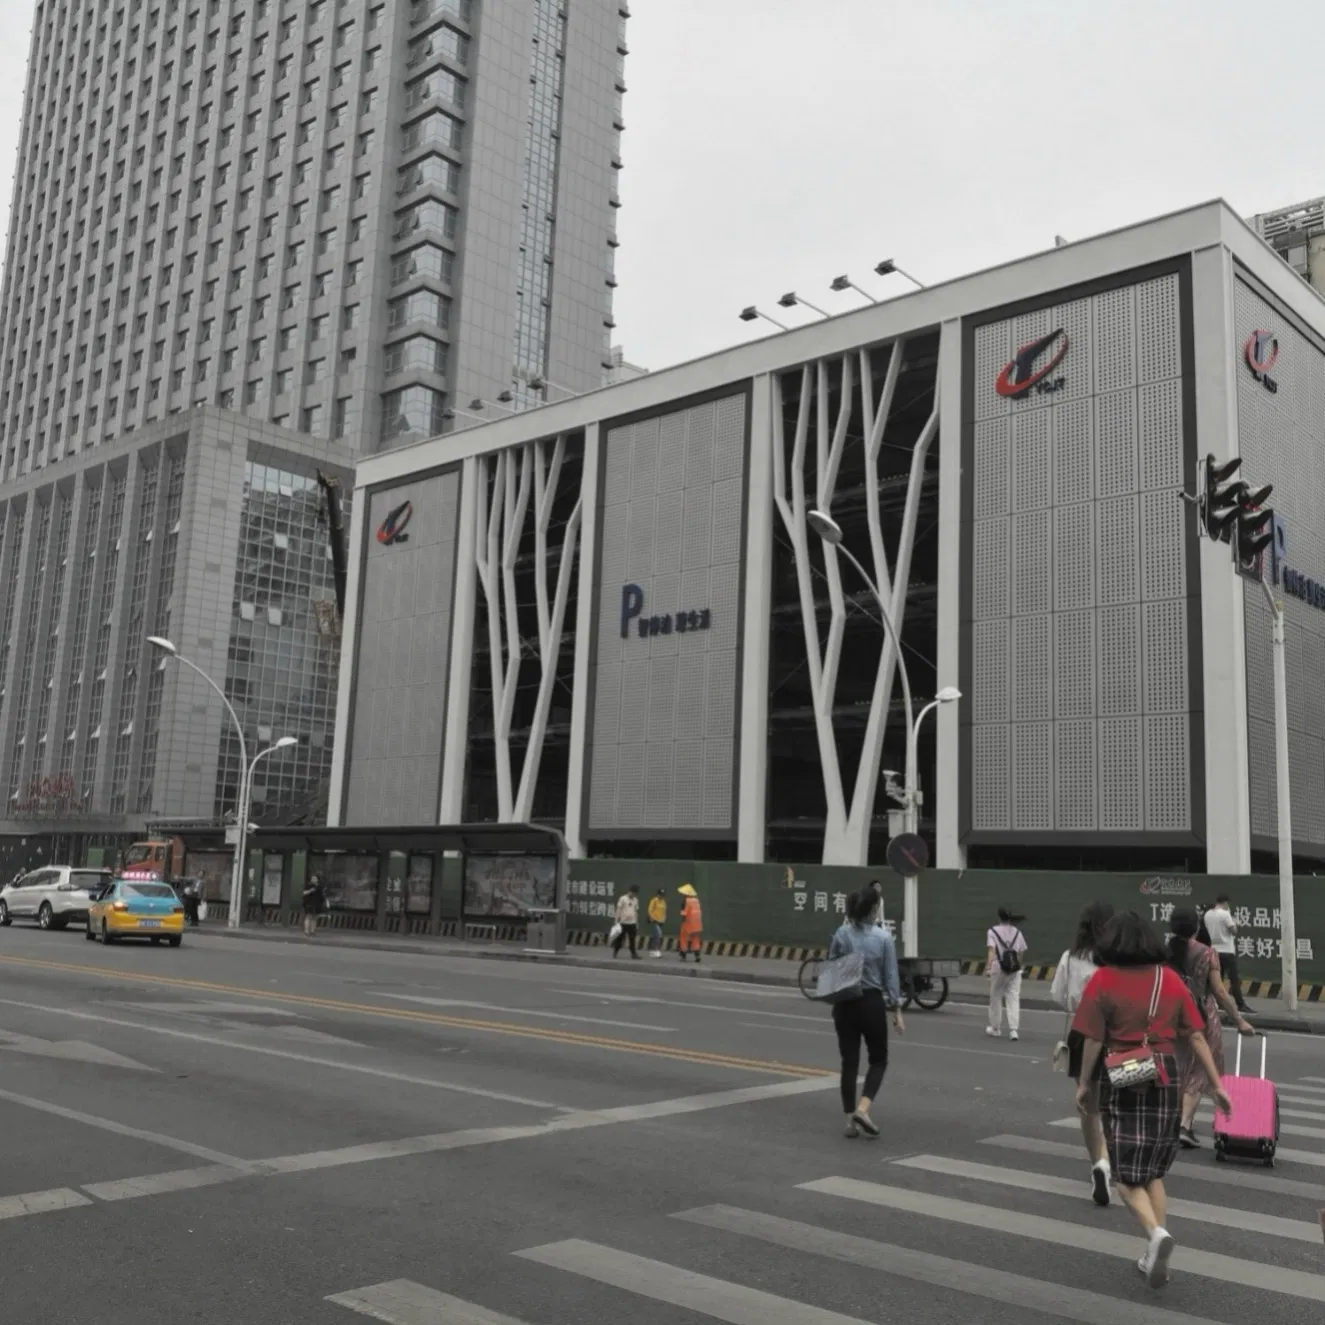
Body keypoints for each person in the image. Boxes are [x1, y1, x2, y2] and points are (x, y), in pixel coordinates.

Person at [1072, 911, 1232, 1289]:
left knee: (1126, 1177)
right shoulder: (1169, 979)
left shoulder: (1103, 980)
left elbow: (1093, 1038)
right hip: (1164, 1072)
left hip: (1124, 1072)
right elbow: (1196, 1036)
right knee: (1154, 1173)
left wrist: (1084, 1083)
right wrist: (1217, 1085)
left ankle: (1155, 1234)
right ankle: (1154, 1250)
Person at [1168, 908, 1254, 1148]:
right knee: (1201, 1069)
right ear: (1197, 927)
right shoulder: (1207, 953)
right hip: (1201, 1014)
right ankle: (1184, 1124)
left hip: (1171, 1014)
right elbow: (1220, 992)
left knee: (1180, 1066)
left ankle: (1174, 1121)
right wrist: (1239, 1020)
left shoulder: (1164, 951)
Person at [1050, 900, 1115, 1205]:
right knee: (1114, 1104)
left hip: (1080, 1031)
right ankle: (1111, 1160)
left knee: (1088, 1105)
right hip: (1116, 1034)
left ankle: (1098, 1162)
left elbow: (1059, 996)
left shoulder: (1070, 957)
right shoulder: (1116, 959)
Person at [827, 889, 905, 1138]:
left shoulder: (841, 934)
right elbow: (891, 976)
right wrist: (897, 1009)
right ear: (873, 909)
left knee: (849, 1062)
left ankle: (849, 1122)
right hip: (871, 1002)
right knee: (878, 1059)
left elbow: (832, 965)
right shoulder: (883, 938)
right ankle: (863, 1108)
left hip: (845, 1003)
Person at [1202, 895, 1251, 1013]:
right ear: (1225, 903)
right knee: (1234, 979)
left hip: (1214, 950)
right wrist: (1236, 923)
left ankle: (1216, 1003)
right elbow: (1234, 931)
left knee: (1216, 979)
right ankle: (1240, 1004)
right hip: (1227, 951)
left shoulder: (1208, 914)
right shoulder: (1225, 914)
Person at [986, 907, 1027, 1040]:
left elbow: (991, 950)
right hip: (1015, 969)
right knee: (1013, 998)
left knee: (996, 997)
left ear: (999, 917)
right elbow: (1021, 951)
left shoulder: (992, 931)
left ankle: (995, 1028)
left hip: (998, 968)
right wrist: (1018, 965)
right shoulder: (1017, 932)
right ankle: (1013, 1031)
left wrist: (988, 967)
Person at [612, 885, 640, 959]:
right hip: (623, 923)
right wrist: (616, 921)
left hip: (632, 923)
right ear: (630, 891)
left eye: (635, 893)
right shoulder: (623, 898)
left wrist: (637, 923)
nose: (634, 895)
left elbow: (636, 912)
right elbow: (618, 910)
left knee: (632, 940)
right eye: (633, 893)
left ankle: (634, 954)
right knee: (620, 939)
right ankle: (615, 952)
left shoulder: (636, 900)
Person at [677, 883, 703, 962]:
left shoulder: (686, 901)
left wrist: (683, 920)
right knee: (695, 939)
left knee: (683, 938)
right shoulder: (697, 900)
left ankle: (683, 956)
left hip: (688, 922)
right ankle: (697, 955)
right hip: (697, 923)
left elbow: (684, 913)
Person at [646, 888, 667, 956]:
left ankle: (652, 950)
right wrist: (652, 918)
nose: (661, 896)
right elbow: (650, 910)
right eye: (660, 894)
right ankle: (657, 950)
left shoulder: (663, 901)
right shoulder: (654, 900)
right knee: (658, 934)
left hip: (661, 921)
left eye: (662, 895)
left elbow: (664, 911)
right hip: (655, 920)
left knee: (655, 936)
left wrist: (664, 919)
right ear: (657, 894)